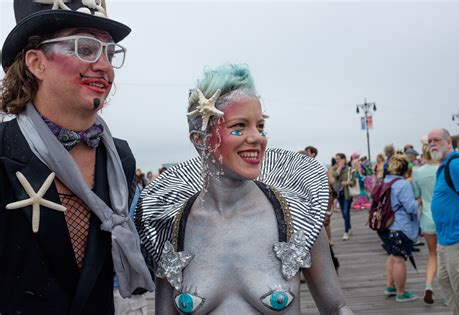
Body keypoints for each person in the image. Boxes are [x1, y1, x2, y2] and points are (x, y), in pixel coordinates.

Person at [135, 64, 352, 314]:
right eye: (239, 127)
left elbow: (337, 308)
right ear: (200, 140)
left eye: (260, 126)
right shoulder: (172, 225)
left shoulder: (296, 213)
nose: (257, 138)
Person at [0, 1, 154, 313]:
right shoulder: (3, 149)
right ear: (36, 62)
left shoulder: (120, 157)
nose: (104, 65)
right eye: (85, 48)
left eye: (109, 52)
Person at [428, 128, 459, 315]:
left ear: (449, 142)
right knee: (446, 284)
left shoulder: (456, 165)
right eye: (429, 141)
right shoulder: (444, 166)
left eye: (436, 140)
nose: (432, 144)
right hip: (444, 241)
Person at [382, 154, 420, 303]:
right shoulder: (403, 184)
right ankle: (401, 293)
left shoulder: (386, 181)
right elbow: (411, 207)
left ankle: (390, 286)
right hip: (401, 227)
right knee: (399, 260)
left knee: (392, 255)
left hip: (388, 226)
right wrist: (421, 199)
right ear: (405, 169)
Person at [411, 138, 439, 304]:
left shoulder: (417, 172)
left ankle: (428, 285)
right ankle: (449, 288)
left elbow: (417, 195)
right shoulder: (443, 169)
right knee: (447, 255)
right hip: (446, 218)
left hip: (427, 217)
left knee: (432, 254)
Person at [332, 153, 356, 240]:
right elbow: (335, 176)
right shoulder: (335, 168)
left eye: (338, 159)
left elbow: (354, 182)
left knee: (346, 212)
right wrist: (339, 167)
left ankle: (346, 231)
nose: (337, 161)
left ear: (344, 159)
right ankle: (349, 227)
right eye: (336, 159)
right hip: (339, 194)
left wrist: (347, 183)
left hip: (347, 194)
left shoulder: (350, 169)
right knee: (344, 213)